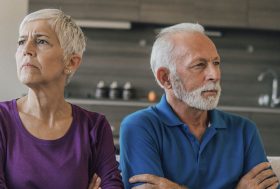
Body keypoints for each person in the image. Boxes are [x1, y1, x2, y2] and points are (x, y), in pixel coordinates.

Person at [119, 23, 280, 189]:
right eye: (199, 65)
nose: (214, 75)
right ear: (165, 78)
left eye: (216, 63)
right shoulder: (139, 127)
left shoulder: (245, 130)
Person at [0, 9, 123, 189]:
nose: (26, 50)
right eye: (21, 41)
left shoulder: (95, 127)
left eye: (41, 41)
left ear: (71, 62)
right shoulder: (2, 120)